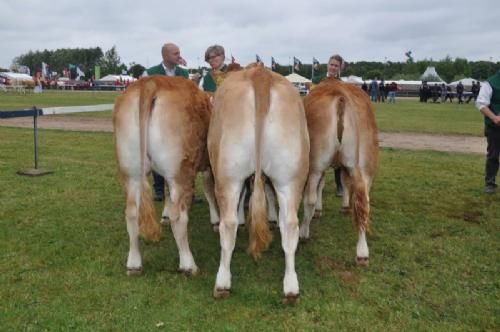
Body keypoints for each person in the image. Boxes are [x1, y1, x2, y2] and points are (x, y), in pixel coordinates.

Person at [143, 43, 189, 201]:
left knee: (182, 154)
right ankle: (159, 189)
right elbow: (143, 96)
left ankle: (184, 187)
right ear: (165, 56)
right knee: (158, 154)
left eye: (179, 52)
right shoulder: (150, 73)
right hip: (158, 122)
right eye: (176, 53)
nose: (179, 55)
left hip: (180, 121)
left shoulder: (183, 73)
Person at [312, 54, 346, 197]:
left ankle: (339, 184)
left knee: (338, 150)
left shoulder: (341, 84)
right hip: (318, 120)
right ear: (328, 65)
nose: (333, 67)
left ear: (340, 68)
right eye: (331, 64)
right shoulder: (317, 79)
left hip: (335, 120)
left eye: (336, 66)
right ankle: (316, 180)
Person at [476, 70, 500, 194]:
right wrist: (494, 117)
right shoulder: (490, 83)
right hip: (495, 127)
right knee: (493, 155)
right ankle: (490, 183)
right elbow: (481, 103)